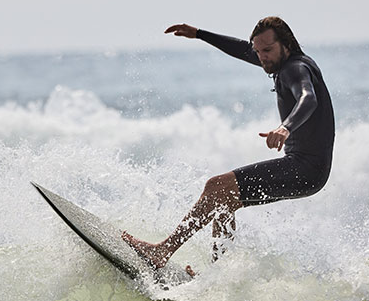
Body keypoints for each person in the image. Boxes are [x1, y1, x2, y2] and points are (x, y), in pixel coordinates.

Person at [122, 16, 335, 275]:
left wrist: (285, 127)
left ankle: (162, 251)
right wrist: (199, 33)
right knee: (225, 200)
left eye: (267, 50)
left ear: (286, 44)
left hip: (305, 168)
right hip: (311, 172)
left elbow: (308, 98)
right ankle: (217, 277)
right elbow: (243, 50)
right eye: (259, 51)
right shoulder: (279, 60)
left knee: (217, 186)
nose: (261, 57)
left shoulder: (295, 68)